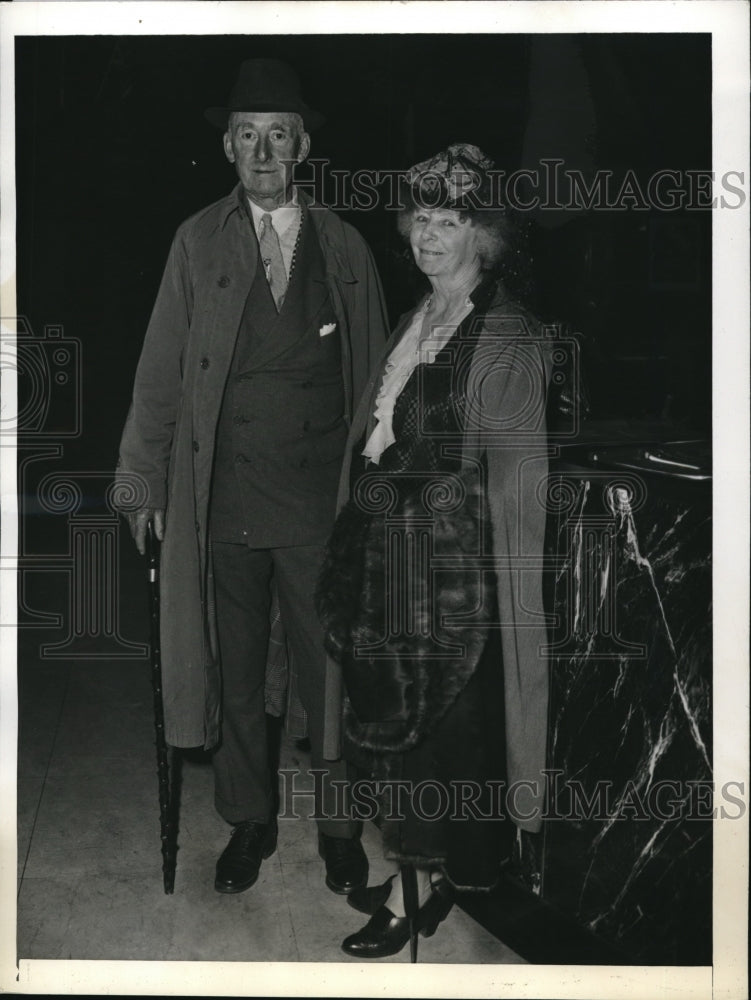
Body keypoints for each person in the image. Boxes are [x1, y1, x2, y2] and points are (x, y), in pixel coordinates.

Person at [116, 58, 389, 898]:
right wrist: (141, 482)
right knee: (234, 672)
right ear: (229, 150)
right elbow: (161, 372)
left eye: (278, 135)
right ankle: (249, 821)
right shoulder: (196, 240)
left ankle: (341, 831)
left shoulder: (344, 245)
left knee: (328, 671)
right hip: (223, 499)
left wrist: (377, 496)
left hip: (318, 506)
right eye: (246, 136)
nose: (262, 150)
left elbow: (378, 381)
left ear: (302, 146)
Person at [316, 144, 553, 958]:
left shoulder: (508, 334)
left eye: (447, 221)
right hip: (386, 568)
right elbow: (376, 439)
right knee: (398, 738)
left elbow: (520, 485)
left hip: (458, 586)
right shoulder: (415, 316)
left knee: (447, 745)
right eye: (419, 218)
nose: (428, 235)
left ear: (481, 235)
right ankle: (419, 879)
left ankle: (429, 887)